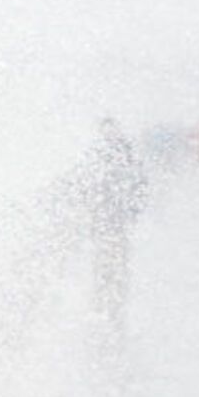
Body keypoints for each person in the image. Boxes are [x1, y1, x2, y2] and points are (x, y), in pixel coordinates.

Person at [78, 117, 148, 346]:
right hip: (105, 217)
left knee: (113, 256)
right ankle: (107, 297)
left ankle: (110, 298)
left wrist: (132, 209)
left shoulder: (118, 154)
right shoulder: (102, 154)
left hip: (113, 217)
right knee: (106, 257)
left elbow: (139, 184)